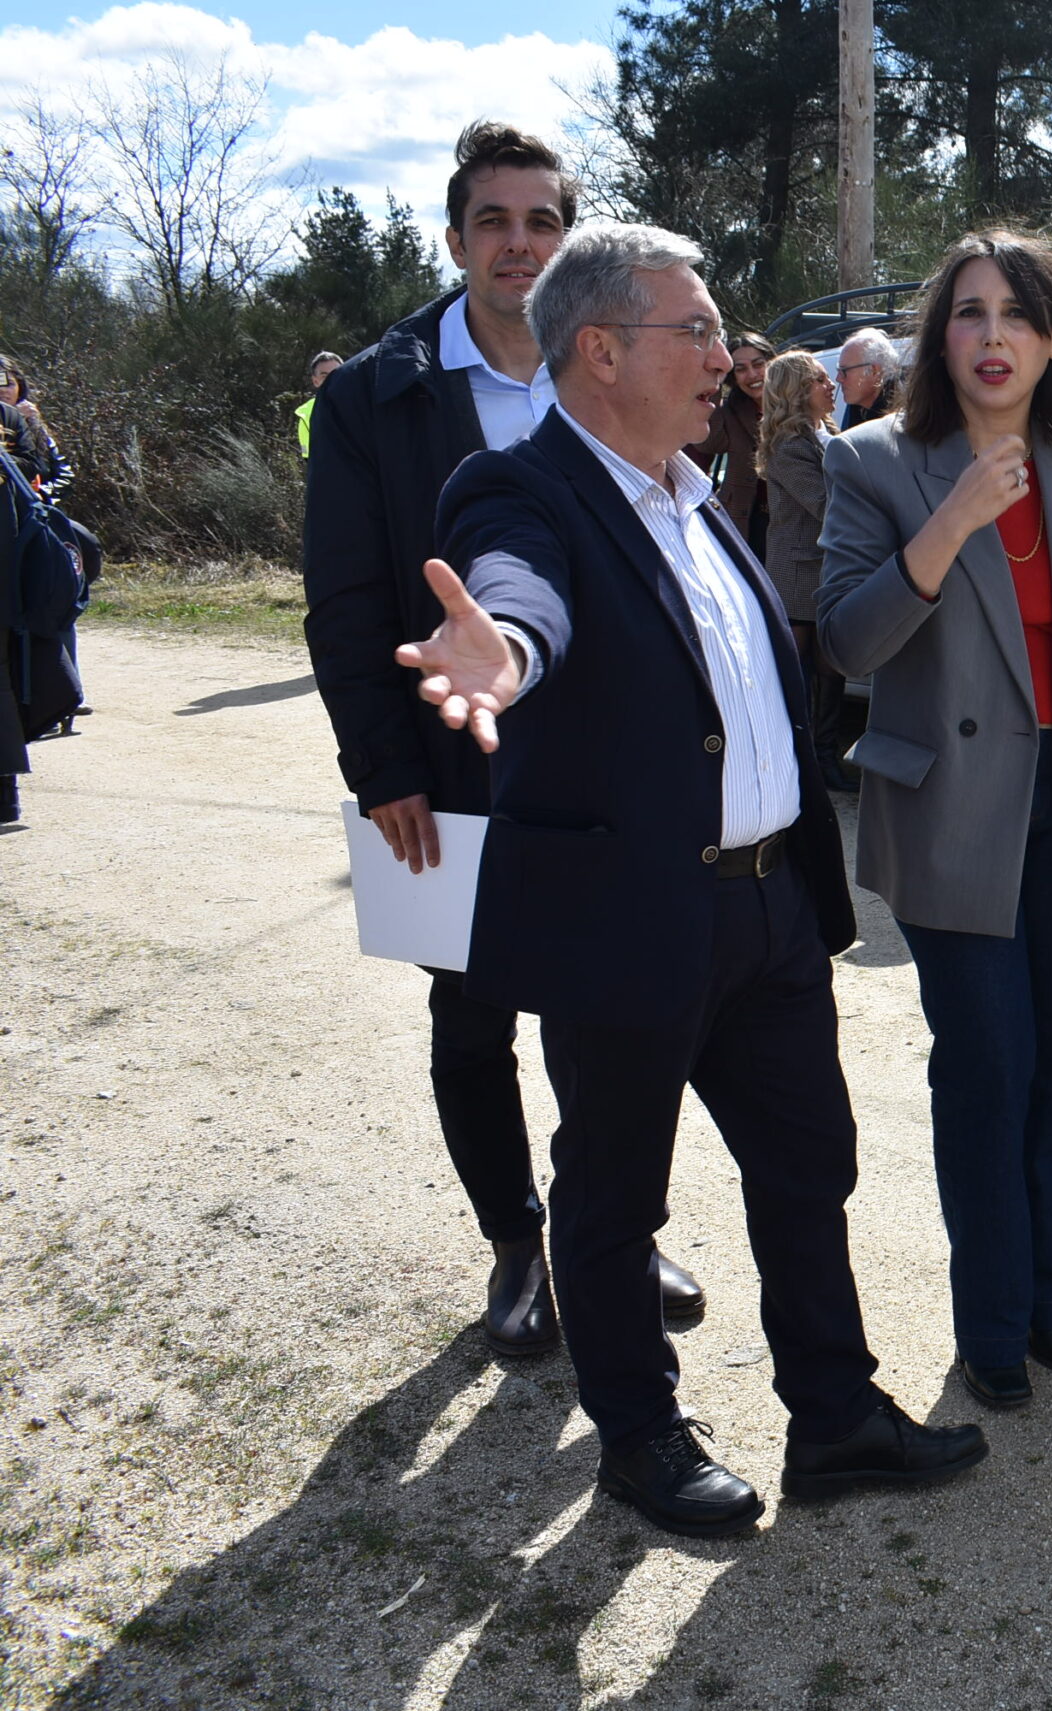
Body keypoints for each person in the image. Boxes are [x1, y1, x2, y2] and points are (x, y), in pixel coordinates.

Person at [397, 219, 989, 1536]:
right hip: (628, 918)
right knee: (615, 1195)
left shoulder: (694, 488)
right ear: (601, 349)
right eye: (700, 330)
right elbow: (521, 591)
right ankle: (639, 1435)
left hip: (768, 906)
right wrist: (507, 650)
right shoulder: (521, 490)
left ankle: (833, 1414)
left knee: (810, 1164)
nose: (729, 354)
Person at [301, 119, 706, 1358]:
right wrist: (381, 769)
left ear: (570, 240)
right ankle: (517, 1241)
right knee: (473, 1018)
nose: (518, 244)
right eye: (494, 221)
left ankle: (611, 1229)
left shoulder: (615, 368)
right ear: (454, 238)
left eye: (542, 221)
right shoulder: (376, 394)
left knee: (612, 1011)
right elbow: (347, 602)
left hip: (605, 765)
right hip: (445, 765)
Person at [816, 231, 1052, 1411]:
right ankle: (993, 1325)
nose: (992, 334)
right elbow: (846, 641)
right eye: (968, 311)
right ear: (938, 336)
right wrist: (949, 520)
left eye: (1018, 314)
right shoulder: (873, 460)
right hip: (954, 812)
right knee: (986, 1070)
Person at [756, 349, 852, 785]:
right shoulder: (789, 446)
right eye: (819, 379)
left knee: (832, 670)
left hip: (828, 568)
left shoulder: (828, 433)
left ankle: (824, 757)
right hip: (797, 571)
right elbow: (825, 505)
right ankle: (798, 762)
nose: (831, 384)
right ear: (795, 391)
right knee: (798, 673)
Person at [684, 331, 775, 560]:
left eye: (758, 364)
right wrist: (715, 380)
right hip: (746, 521)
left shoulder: (795, 404)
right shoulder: (731, 412)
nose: (752, 375)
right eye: (740, 369)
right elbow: (708, 444)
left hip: (789, 523)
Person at [0, 357, 73, 496]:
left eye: (9, 384)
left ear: (20, 388)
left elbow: (64, 476)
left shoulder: (35, 426)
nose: (3, 390)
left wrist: (42, 493)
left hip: (34, 505)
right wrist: (13, 420)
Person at [833, 327, 900, 429]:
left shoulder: (901, 420)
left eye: (845, 371)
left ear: (874, 371)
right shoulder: (857, 410)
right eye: (839, 371)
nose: (838, 379)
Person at [295, 351, 343, 459]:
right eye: (325, 376)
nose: (332, 380)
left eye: (336, 374)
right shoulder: (306, 415)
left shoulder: (363, 406)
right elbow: (309, 459)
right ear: (315, 381)